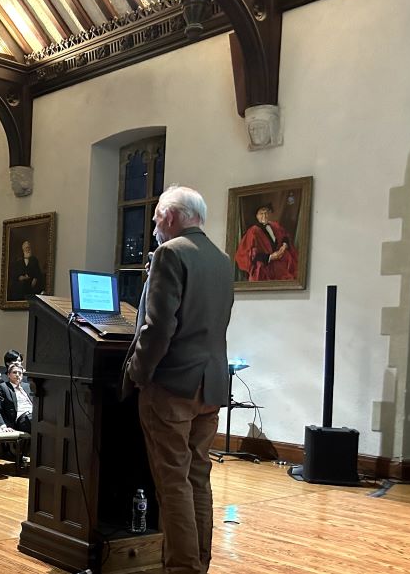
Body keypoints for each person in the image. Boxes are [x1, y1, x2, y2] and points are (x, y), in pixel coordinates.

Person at [122, 186, 233, 574]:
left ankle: (182, 568)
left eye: (155, 217)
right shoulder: (222, 260)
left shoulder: (170, 253)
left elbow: (158, 328)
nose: (153, 224)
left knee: (172, 482)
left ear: (171, 216)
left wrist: (138, 372)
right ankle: (199, 562)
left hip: (171, 386)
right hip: (211, 385)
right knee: (197, 477)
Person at [233, 203, 298, 281]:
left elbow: (285, 236)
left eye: (266, 213)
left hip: (280, 262)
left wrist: (284, 246)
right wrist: (270, 257)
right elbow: (250, 256)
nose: (264, 215)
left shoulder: (274, 226)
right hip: (265, 266)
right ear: (256, 216)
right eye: (261, 213)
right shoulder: (253, 231)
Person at [0, 363, 33, 433]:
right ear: (8, 375)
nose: (17, 375)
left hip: (34, 415)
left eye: (20, 373)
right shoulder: (3, 387)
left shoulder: (27, 386)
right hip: (22, 419)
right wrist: (3, 425)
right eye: (14, 372)